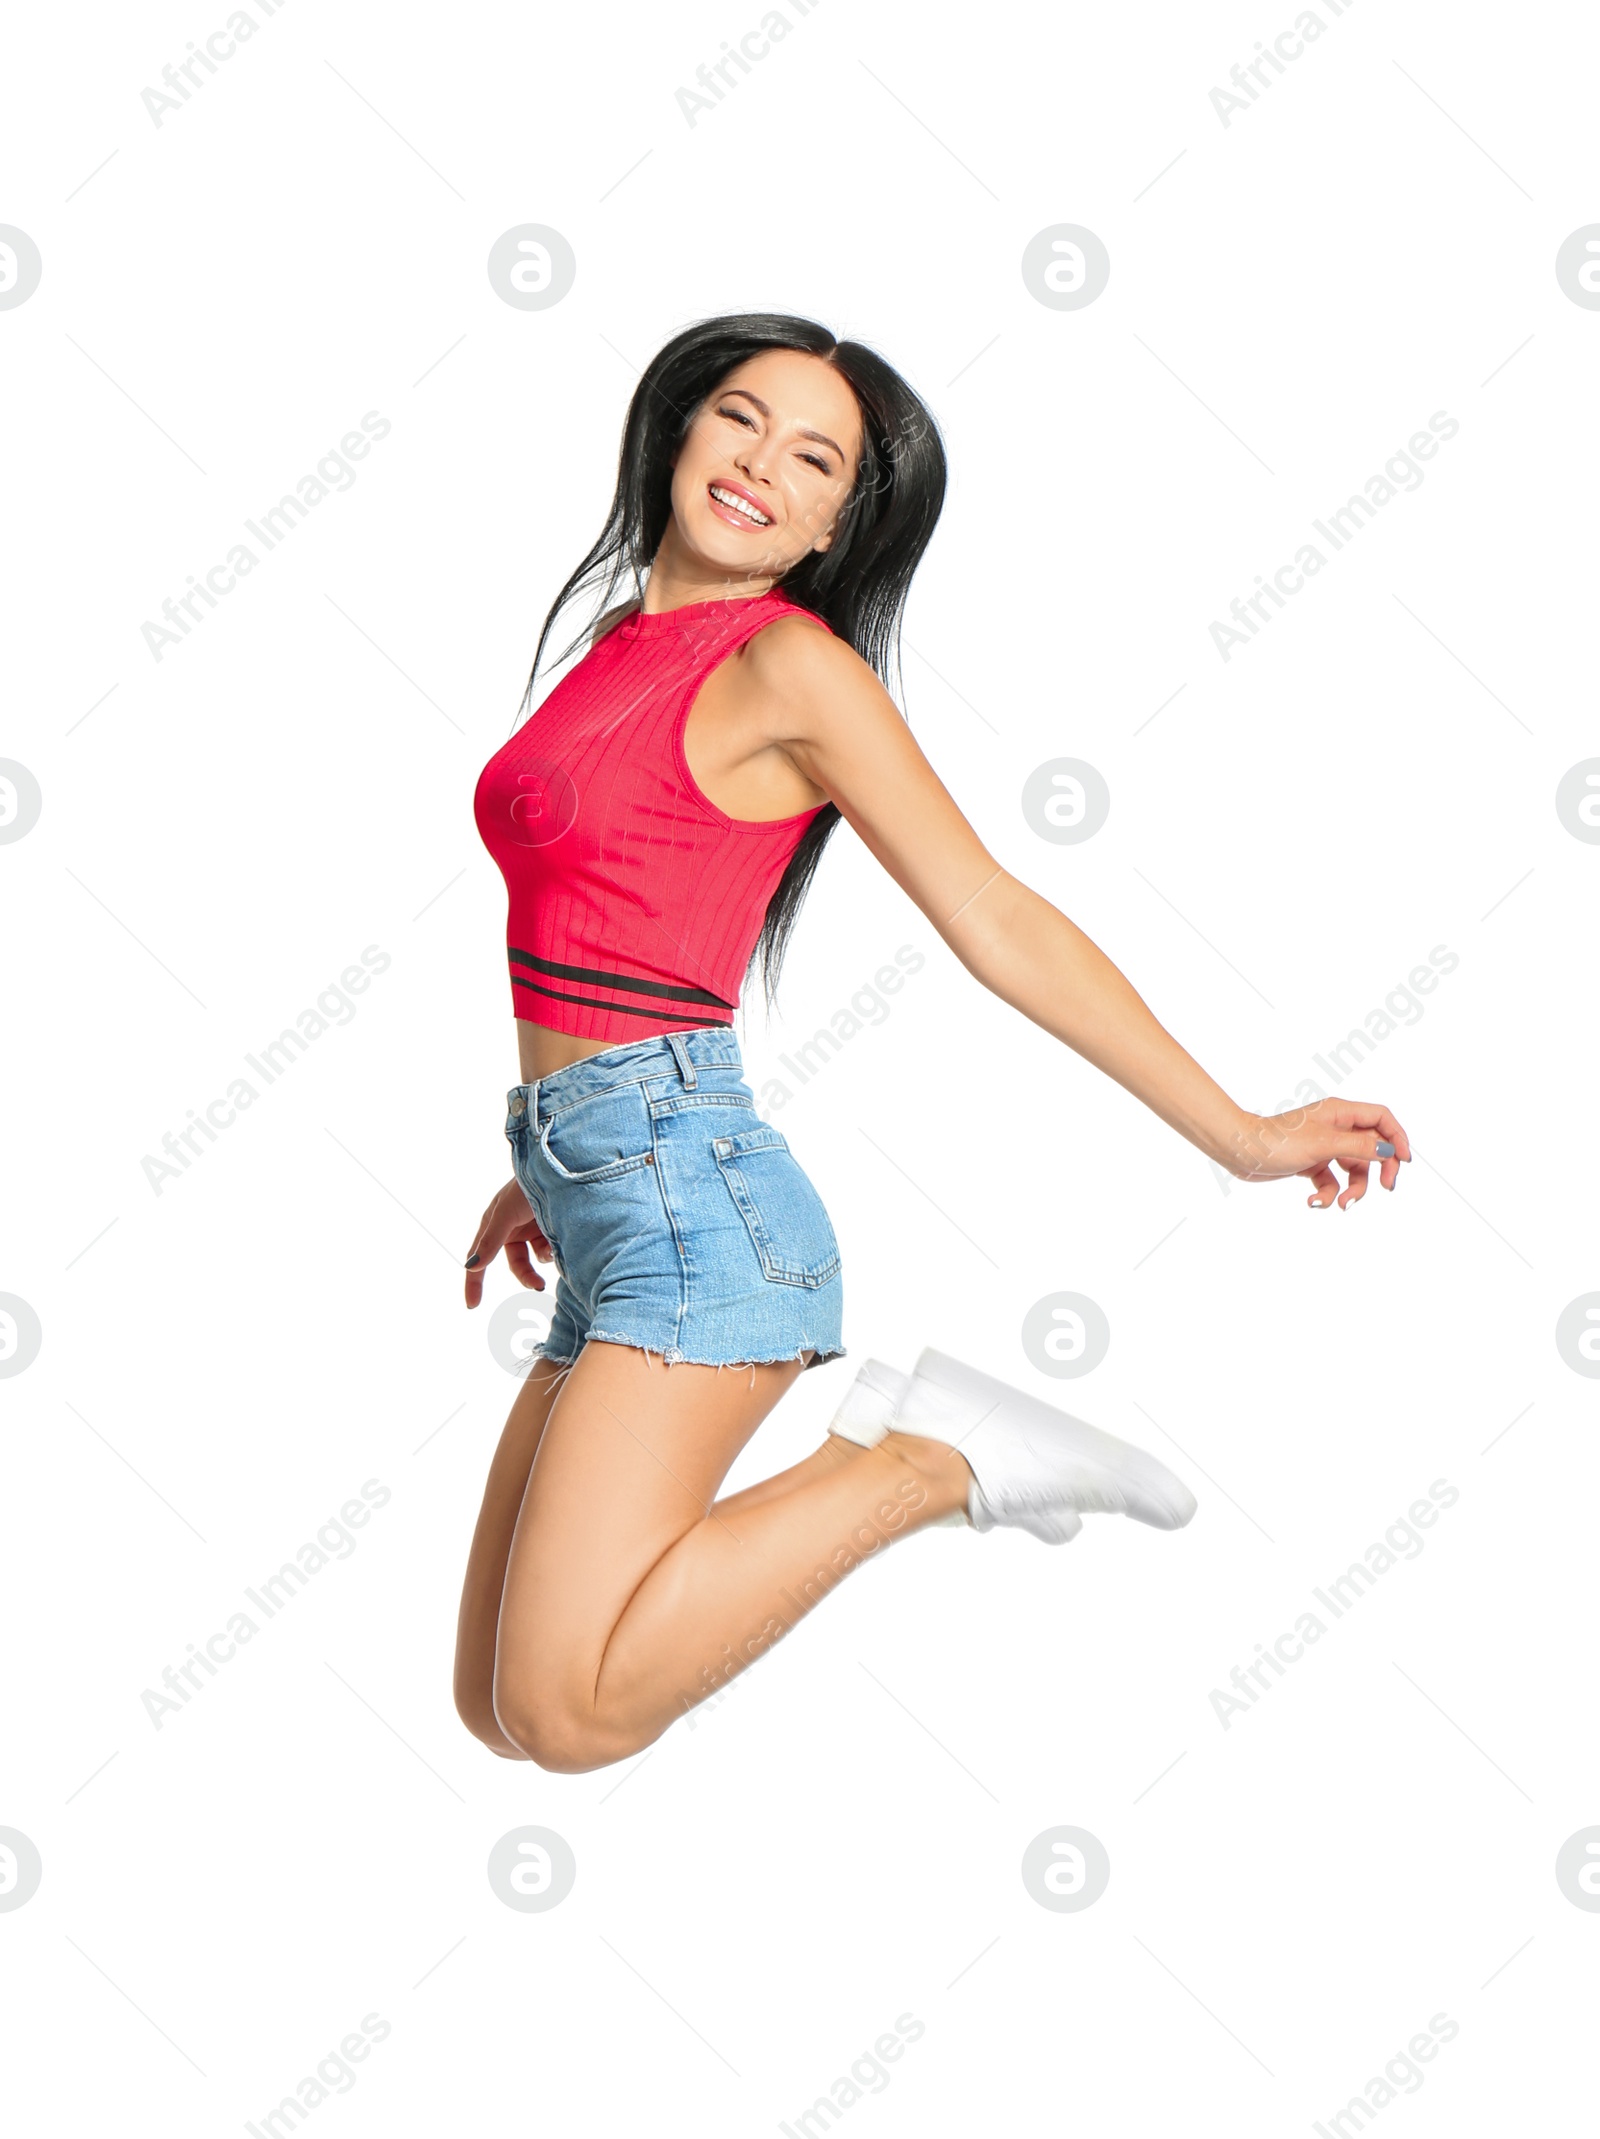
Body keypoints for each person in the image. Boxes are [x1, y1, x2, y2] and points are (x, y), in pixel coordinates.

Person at [455, 314, 1410, 1775]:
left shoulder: (793, 671)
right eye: (740, 418)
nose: (761, 463)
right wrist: (557, 1146)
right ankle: (913, 1449)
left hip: (696, 1219)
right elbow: (624, 926)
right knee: (499, 1706)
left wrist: (1247, 1134)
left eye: (814, 457)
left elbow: (994, 915)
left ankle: (923, 1463)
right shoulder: (619, 647)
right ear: (676, 431)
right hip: (613, 1185)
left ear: (844, 520)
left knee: (575, 1712)